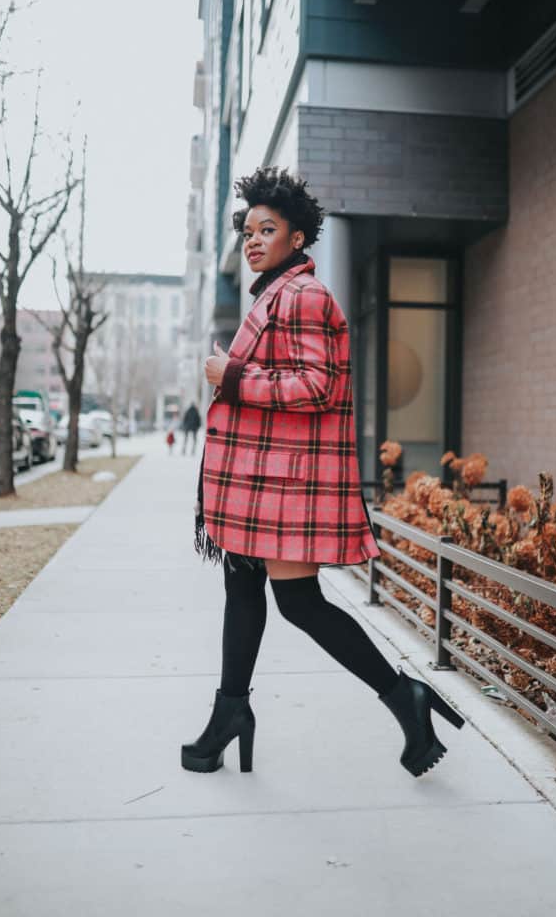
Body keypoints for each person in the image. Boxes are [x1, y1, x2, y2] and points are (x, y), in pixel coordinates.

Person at [182, 166, 464, 777]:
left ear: (299, 238)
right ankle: (230, 714)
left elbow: (316, 386)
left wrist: (229, 374)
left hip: (283, 483)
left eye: (268, 229)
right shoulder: (275, 294)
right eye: (248, 231)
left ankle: (404, 697)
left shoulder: (305, 295)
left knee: (300, 603)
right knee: (243, 586)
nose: (253, 241)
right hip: (261, 481)